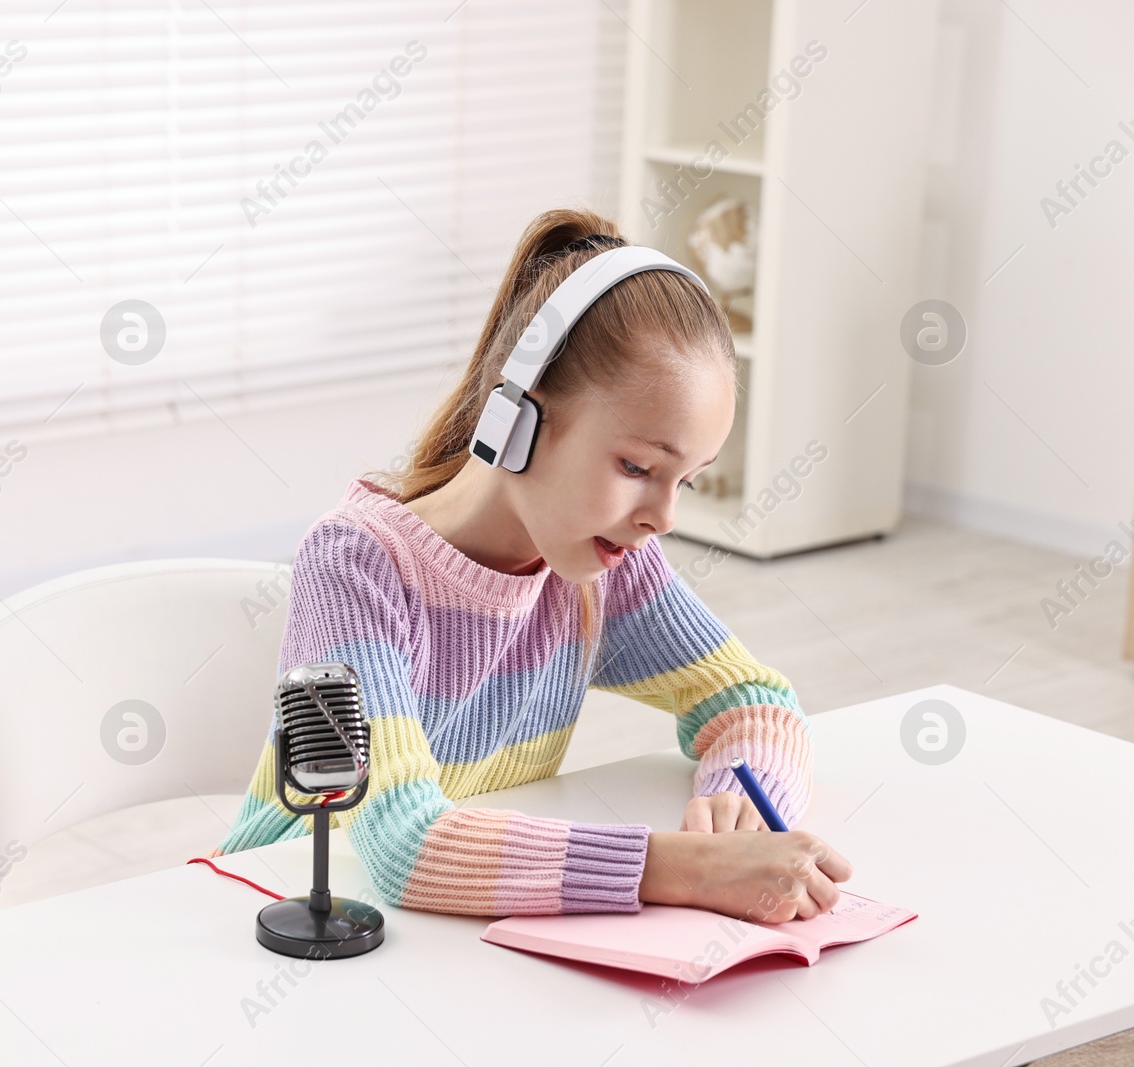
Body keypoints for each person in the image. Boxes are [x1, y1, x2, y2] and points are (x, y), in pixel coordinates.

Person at [209, 206, 852, 923]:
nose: (663, 516)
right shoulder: (357, 566)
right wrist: (685, 867)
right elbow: (402, 843)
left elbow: (754, 700)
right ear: (514, 418)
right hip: (291, 918)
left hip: (450, 943)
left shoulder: (605, 563)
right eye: (638, 465)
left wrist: (738, 807)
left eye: (688, 479)